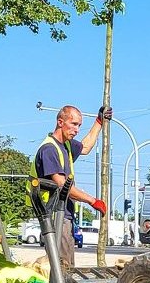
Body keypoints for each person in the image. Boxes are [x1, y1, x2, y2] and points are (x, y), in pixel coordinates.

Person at [35, 105, 109, 269]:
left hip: (63, 215)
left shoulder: (66, 146)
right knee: (63, 268)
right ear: (60, 122)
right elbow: (61, 185)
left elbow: (86, 147)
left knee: (65, 266)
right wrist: (92, 201)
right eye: (73, 124)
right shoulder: (49, 149)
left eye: (79, 126)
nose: (77, 130)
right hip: (54, 214)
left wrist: (99, 122)